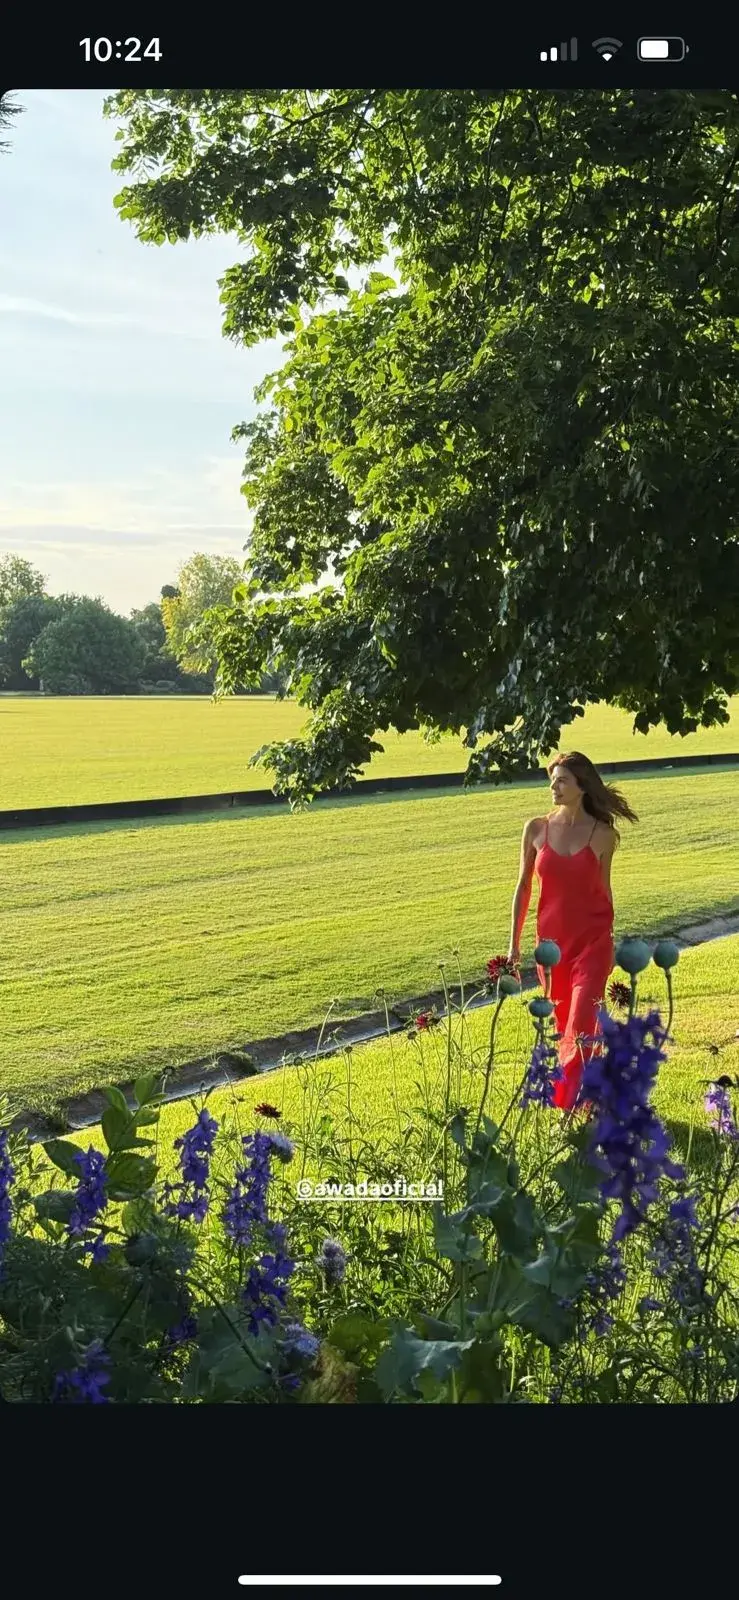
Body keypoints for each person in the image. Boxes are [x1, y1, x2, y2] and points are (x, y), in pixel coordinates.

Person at [507, 751, 639, 1111]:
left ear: (581, 786)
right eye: (552, 778)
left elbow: (605, 892)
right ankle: (590, 1099)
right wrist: (514, 945)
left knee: (581, 1023)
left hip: (593, 944)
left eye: (561, 779)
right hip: (550, 949)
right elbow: (523, 889)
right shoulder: (535, 829)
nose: (553, 785)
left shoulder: (603, 836)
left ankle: (568, 1107)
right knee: (565, 1023)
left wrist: (609, 944)